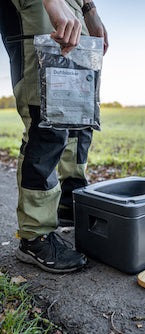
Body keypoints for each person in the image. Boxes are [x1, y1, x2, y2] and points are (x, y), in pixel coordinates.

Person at [0, 0, 108, 273]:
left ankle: (67, 203)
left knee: (79, 120)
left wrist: (89, 11)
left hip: (73, 11)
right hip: (37, 9)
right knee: (47, 125)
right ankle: (34, 235)